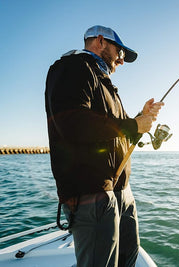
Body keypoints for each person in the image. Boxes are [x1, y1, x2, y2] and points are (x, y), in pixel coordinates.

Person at [45, 25, 163, 266]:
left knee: (128, 256)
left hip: (120, 191)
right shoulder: (73, 67)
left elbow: (119, 132)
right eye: (119, 52)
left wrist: (141, 118)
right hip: (92, 192)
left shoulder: (105, 84)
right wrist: (132, 126)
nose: (121, 60)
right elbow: (73, 124)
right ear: (100, 41)